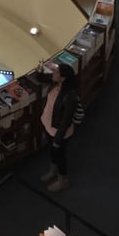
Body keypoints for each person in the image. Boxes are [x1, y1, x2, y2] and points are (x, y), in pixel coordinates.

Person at [39, 63, 80, 192]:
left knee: (60, 156)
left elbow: (65, 121)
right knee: (53, 152)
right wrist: (40, 69)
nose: (53, 74)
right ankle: (53, 171)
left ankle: (63, 180)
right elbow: (42, 78)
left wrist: (58, 139)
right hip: (49, 126)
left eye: (56, 72)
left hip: (59, 133)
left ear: (63, 78)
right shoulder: (56, 84)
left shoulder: (70, 97)